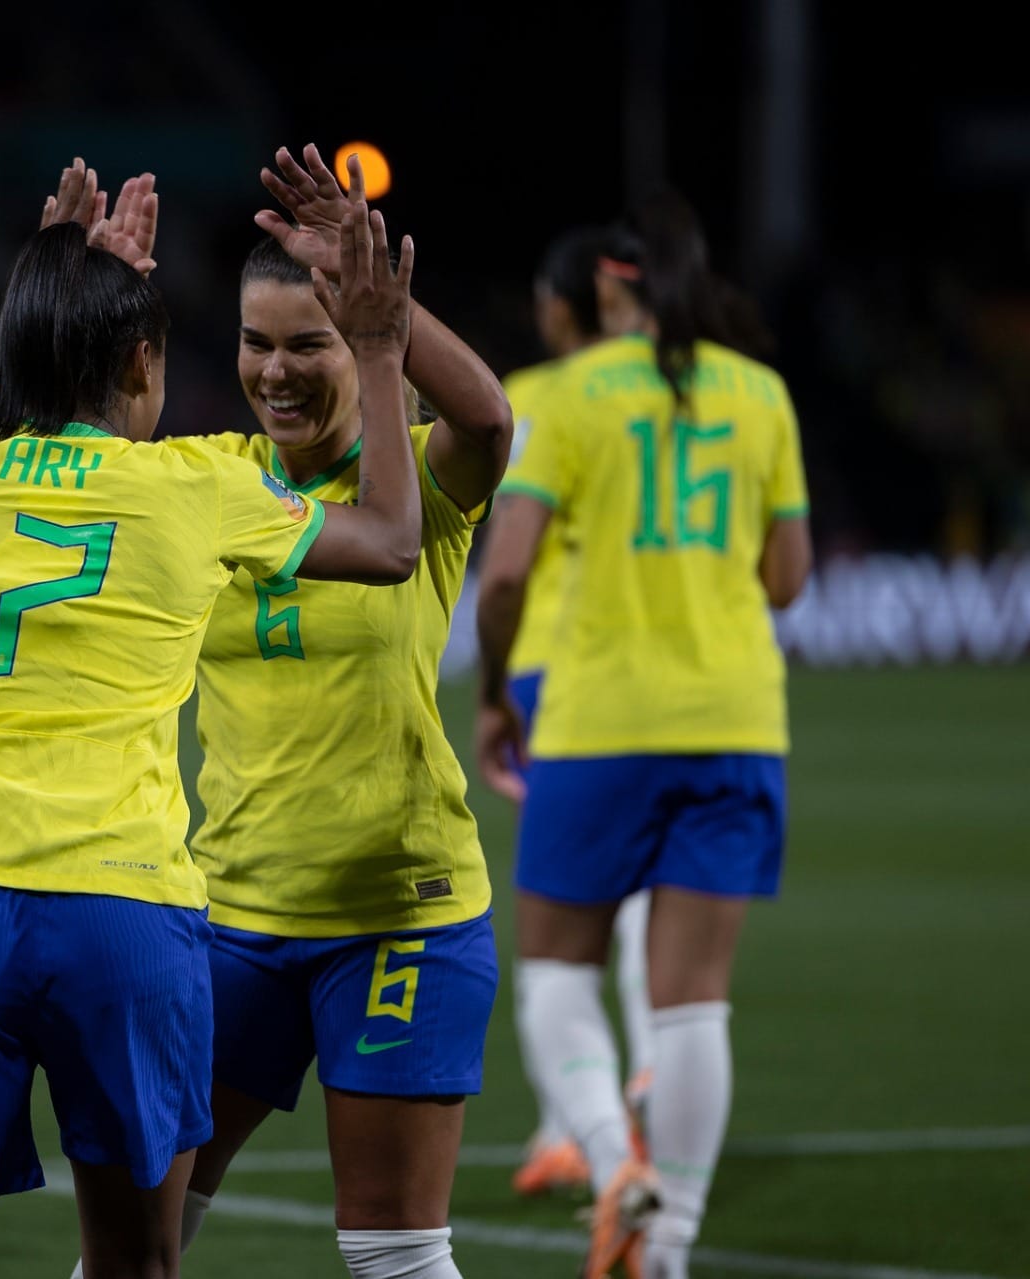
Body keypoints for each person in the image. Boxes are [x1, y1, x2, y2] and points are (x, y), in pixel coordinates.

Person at [0, 159, 426, 1279]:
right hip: (120, 911)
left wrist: (51, 280)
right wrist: (372, 345)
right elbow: (394, 540)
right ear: (141, 361)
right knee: (134, 1264)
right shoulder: (198, 485)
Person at [145, 144, 512, 1279]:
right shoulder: (208, 482)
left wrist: (381, 316)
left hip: (399, 914)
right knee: (135, 1246)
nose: (278, 372)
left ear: (355, 350)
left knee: (393, 1254)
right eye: (257, 345)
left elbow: (491, 421)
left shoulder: (414, 484)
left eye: (308, 344)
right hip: (231, 920)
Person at [475, 192, 813, 1278]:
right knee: (691, 1000)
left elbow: (512, 565)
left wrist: (492, 692)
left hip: (599, 717)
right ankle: (665, 1246)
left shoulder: (571, 394)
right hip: (737, 720)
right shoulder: (761, 393)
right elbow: (789, 578)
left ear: (605, 288)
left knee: (558, 972)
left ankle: (615, 1162)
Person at [499, 226, 656, 1201]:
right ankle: (613, 1081)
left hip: (548, 663)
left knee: (560, 910)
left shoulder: (537, 395)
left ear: (561, 307)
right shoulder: (689, 391)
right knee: (641, 881)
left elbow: (505, 540)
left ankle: (578, 1114)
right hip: (653, 658)